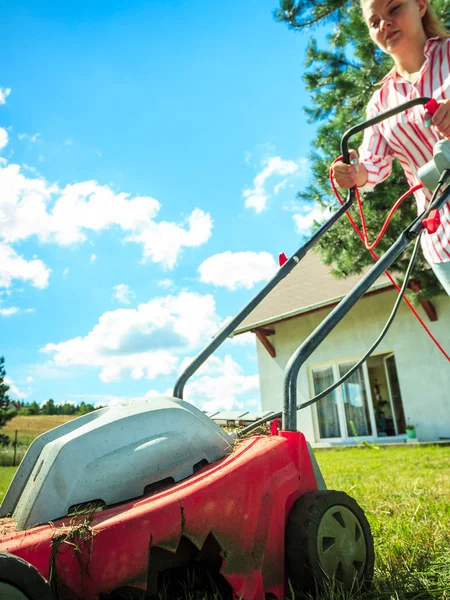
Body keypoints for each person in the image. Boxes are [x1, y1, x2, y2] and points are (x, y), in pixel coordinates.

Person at [331, 0, 450, 294]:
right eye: (375, 22)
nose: (384, 24)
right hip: (444, 242)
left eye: (394, 9)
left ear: (420, 5)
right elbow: (372, 165)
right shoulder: (381, 103)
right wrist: (353, 172)